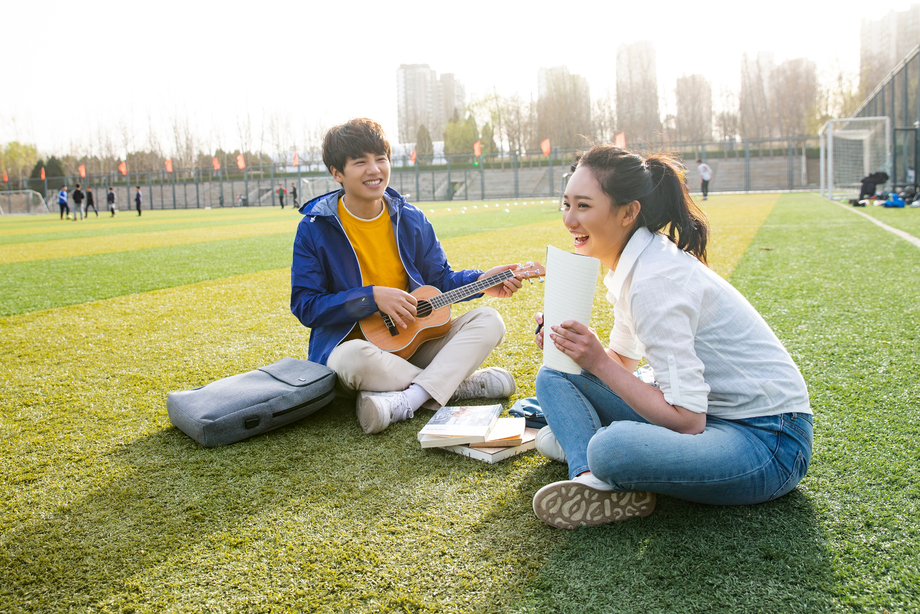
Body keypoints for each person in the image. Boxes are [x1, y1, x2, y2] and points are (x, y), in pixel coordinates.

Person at [529, 145, 812, 529]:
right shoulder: (632, 265)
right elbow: (624, 363)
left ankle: (598, 462)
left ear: (628, 212)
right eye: (566, 204)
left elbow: (688, 421)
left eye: (583, 206)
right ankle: (587, 481)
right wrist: (577, 351)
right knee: (555, 374)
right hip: (712, 415)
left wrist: (595, 360)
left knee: (611, 448)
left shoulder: (655, 280)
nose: (569, 220)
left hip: (768, 439)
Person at [291, 118, 522, 435]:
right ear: (337, 173)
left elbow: (439, 279)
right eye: (361, 162)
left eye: (381, 159)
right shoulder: (315, 229)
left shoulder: (411, 218)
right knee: (350, 360)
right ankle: (457, 385)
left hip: (415, 341)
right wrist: (370, 298)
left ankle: (411, 396)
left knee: (489, 320)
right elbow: (306, 305)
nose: (374, 170)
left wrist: (483, 280)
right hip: (357, 349)